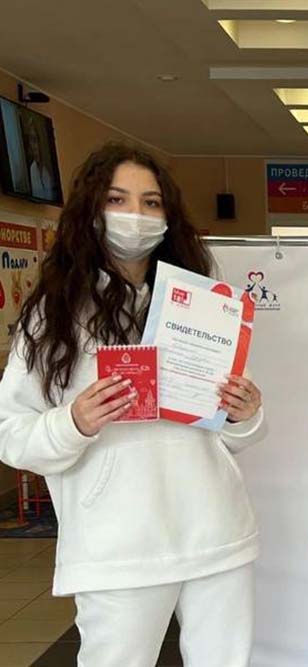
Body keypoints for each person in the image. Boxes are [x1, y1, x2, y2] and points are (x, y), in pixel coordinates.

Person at [0, 143, 266, 666]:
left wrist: (245, 413)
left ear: (168, 216)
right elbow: (11, 434)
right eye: (117, 199)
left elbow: (233, 433)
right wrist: (73, 423)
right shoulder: (53, 314)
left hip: (215, 532)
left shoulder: (203, 304)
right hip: (118, 547)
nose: (135, 216)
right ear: (91, 210)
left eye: (151, 202)